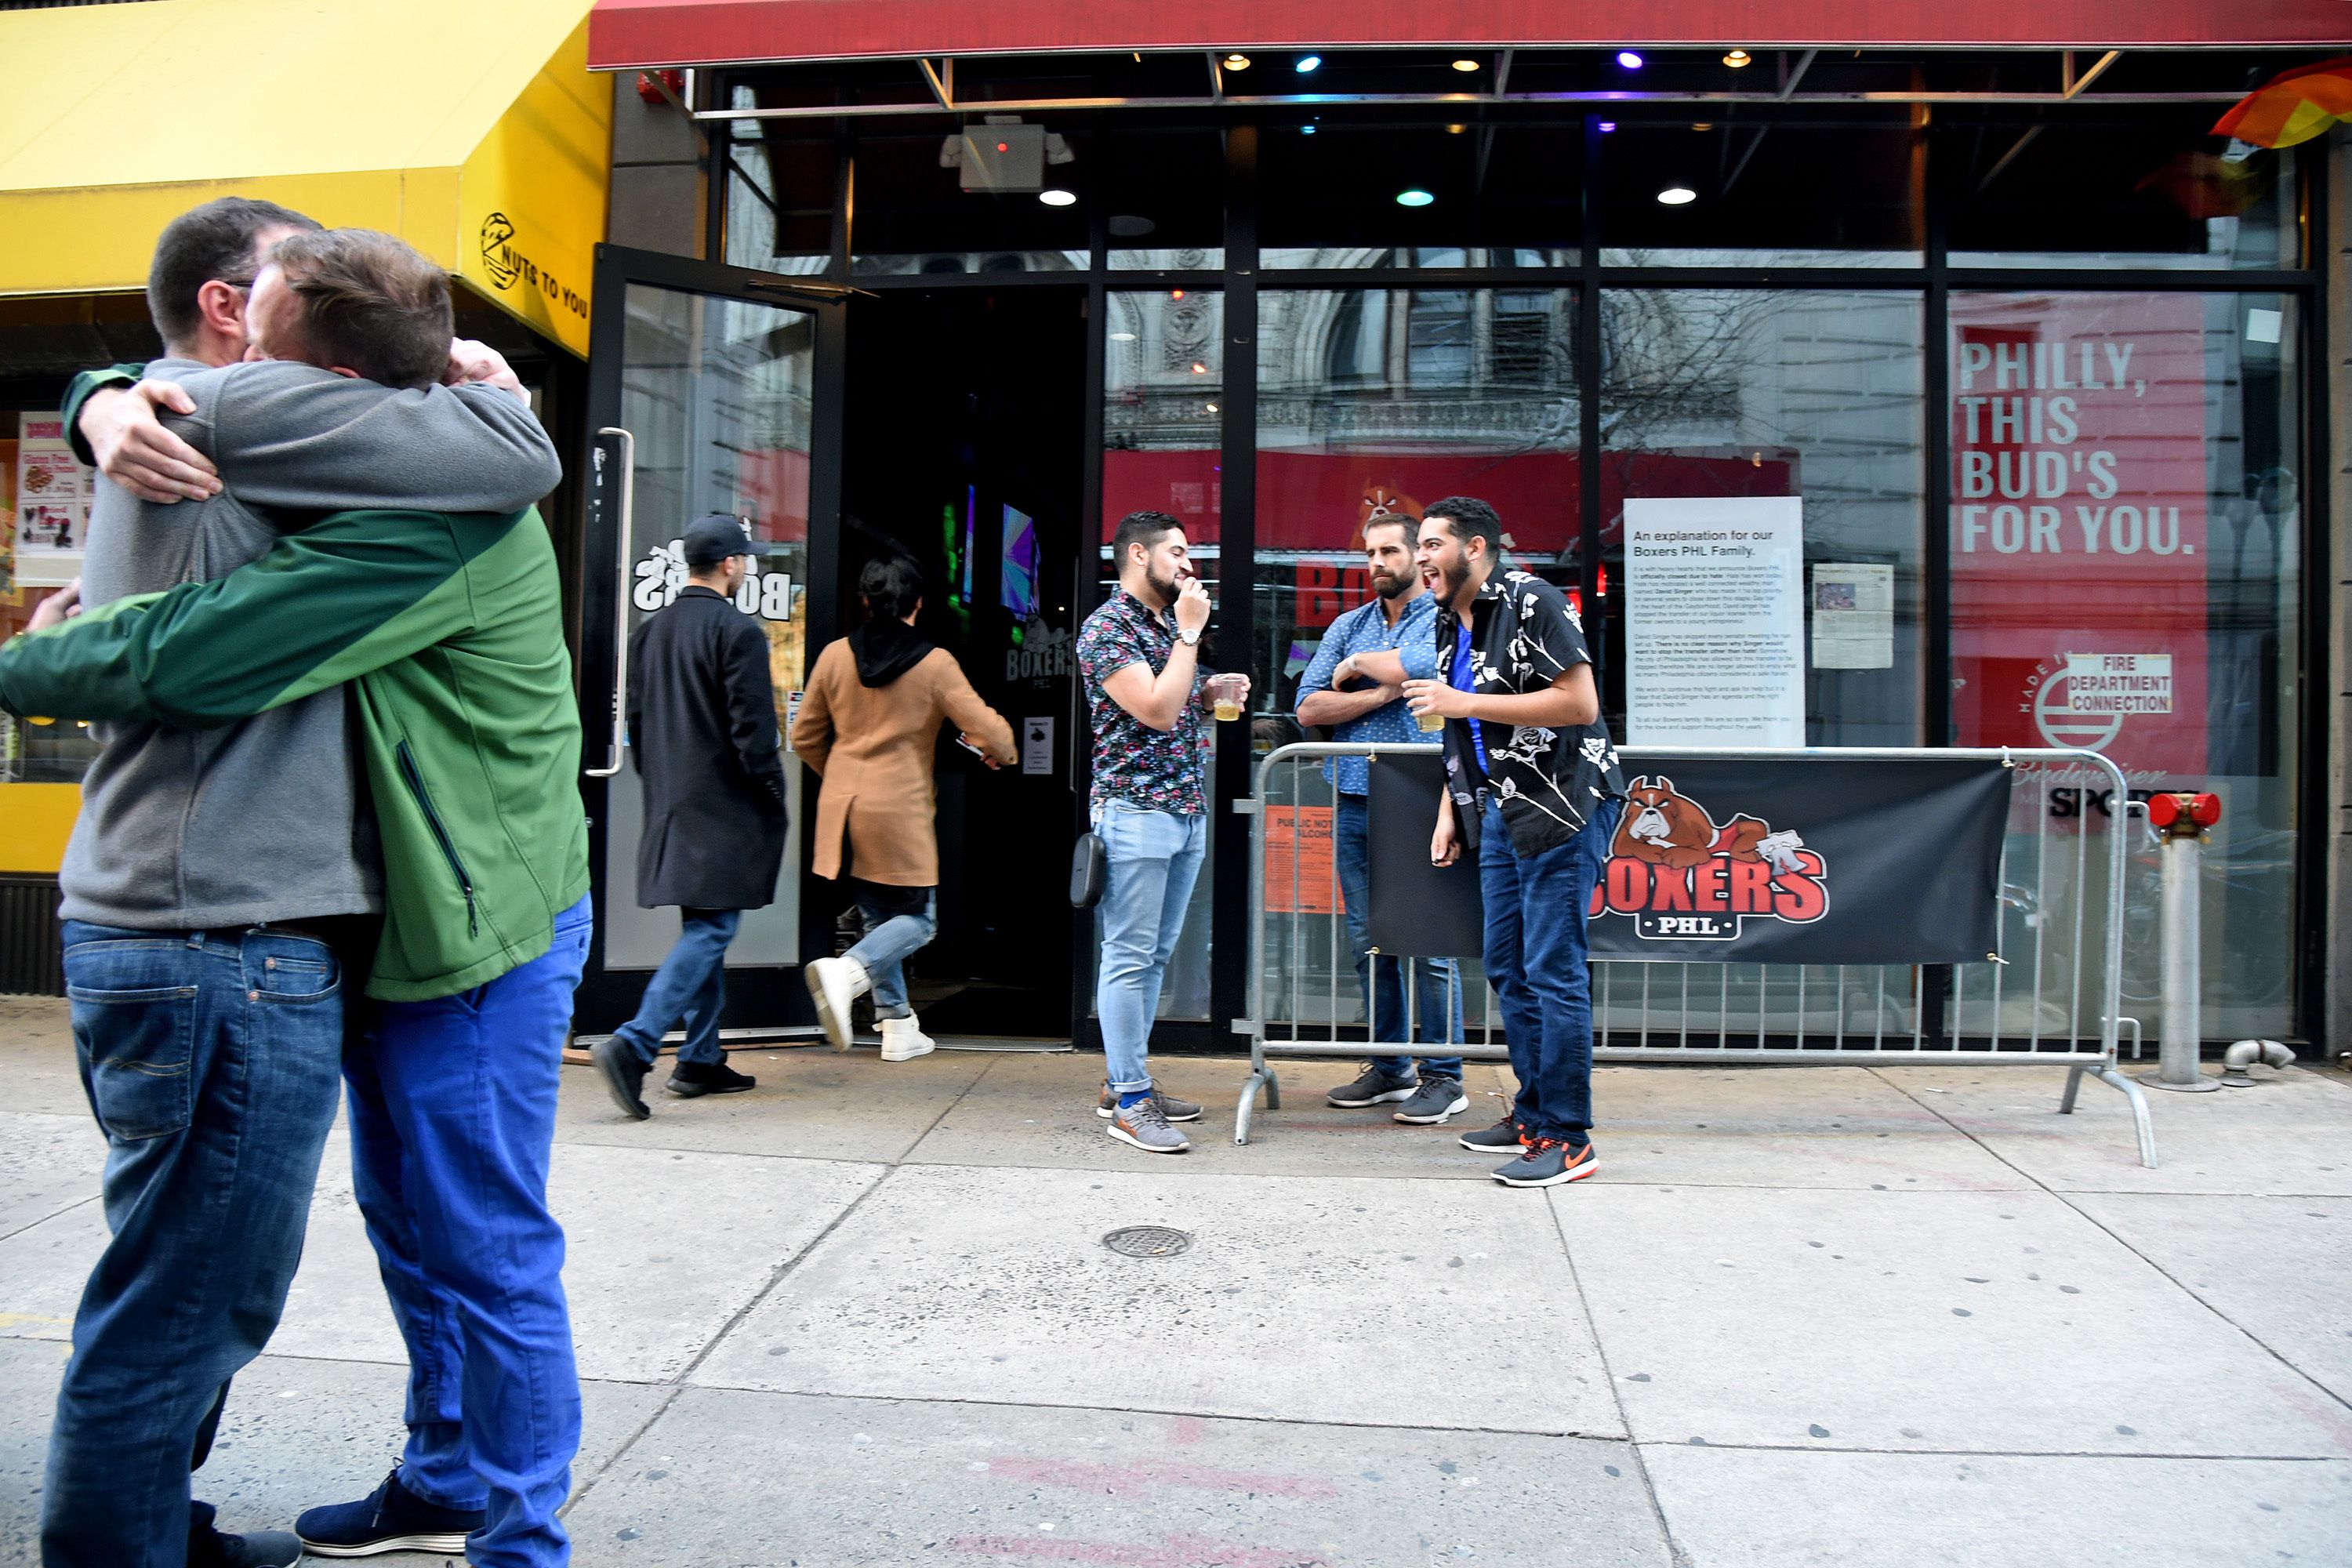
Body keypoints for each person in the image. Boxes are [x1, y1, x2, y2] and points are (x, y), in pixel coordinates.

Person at [2, 227, 592, 1568]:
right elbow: (182, 408)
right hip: (334, 919)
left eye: (264, 344)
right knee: (372, 1241)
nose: (237, 363)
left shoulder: (437, 513)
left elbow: (192, 650)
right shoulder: (327, 448)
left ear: (329, 383)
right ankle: (443, 1475)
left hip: (483, 925)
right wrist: (97, 394)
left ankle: (520, 1540)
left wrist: (35, 661)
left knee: (483, 1247)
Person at [1402, 496, 1627, 1188]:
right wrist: (1449, 809)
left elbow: (1579, 703)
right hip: (1500, 808)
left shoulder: (1534, 600)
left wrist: (1462, 702)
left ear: (1475, 547)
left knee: (1554, 970)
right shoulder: (1449, 618)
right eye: (1420, 547)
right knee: (1508, 965)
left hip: (1561, 803)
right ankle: (1532, 1115)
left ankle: (1569, 1137)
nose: (1421, 558)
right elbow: (1462, 734)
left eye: (1433, 544)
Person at [591, 513, 788, 1117]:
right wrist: (771, 789)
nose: (748, 564)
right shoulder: (739, 633)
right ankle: (636, 1041)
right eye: (745, 557)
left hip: (673, 801)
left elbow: (641, 726)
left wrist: (663, 786)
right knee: (714, 929)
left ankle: (700, 1058)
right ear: (730, 564)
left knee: (701, 925)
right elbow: (752, 729)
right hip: (724, 803)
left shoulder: (649, 634)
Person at [1075, 510, 1248, 1154]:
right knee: (1127, 955)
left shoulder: (1158, 627)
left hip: (1182, 808)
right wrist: (1190, 638)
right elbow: (1152, 708)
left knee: (1152, 956)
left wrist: (1212, 690)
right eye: (1177, 553)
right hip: (1134, 810)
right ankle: (1130, 1101)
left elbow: (1177, 696)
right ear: (1138, 556)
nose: (1188, 564)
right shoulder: (1107, 628)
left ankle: (1128, 1081)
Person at [797, 554, 1015, 1058]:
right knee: (921, 918)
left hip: (844, 805)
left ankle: (897, 1024)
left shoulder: (834, 656)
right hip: (899, 805)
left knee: (879, 913)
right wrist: (999, 750)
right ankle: (848, 971)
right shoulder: (934, 663)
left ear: (865, 601)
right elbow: (992, 733)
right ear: (918, 604)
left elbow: (805, 736)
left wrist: (843, 777)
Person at [1293, 514, 1468, 1125]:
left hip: (1425, 799)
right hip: (1355, 798)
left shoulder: (1445, 616)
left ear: (1418, 556)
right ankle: (1391, 1067)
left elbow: (1439, 669)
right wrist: (1385, 688)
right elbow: (1309, 704)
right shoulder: (1347, 624)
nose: (1377, 562)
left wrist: (1366, 664)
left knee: (1432, 941)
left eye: (1389, 550)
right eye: (1370, 552)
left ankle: (1445, 1075)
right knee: (1369, 940)